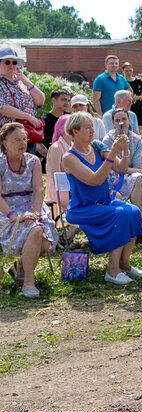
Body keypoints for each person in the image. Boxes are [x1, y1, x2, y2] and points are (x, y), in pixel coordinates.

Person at [61, 112, 142, 285]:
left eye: (92, 126)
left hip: (104, 202)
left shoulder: (97, 146)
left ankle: (124, 264)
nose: (93, 130)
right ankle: (112, 271)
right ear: (75, 131)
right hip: (82, 208)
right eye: (88, 128)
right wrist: (113, 152)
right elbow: (95, 180)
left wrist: (125, 150)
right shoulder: (69, 157)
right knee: (121, 214)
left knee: (134, 211)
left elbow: (121, 168)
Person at [0, 121, 58, 298]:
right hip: (7, 209)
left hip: (32, 206)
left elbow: (38, 190)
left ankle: (20, 266)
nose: (22, 143)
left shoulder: (33, 161)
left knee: (43, 240)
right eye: (17, 140)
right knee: (37, 232)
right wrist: (13, 216)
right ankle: (28, 283)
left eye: (24, 139)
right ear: (4, 143)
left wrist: (36, 214)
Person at [102, 108, 142, 216]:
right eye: (117, 120)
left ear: (129, 120)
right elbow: (114, 167)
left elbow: (137, 166)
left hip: (131, 176)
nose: (121, 123)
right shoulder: (108, 140)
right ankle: (135, 220)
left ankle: (135, 220)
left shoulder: (136, 139)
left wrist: (139, 171)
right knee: (141, 182)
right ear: (113, 123)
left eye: (124, 119)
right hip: (114, 177)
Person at [0, 47, 46, 154]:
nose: (11, 65)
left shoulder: (22, 83)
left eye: (14, 62)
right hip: (8, 136)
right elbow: (2, 108)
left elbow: (40, 101)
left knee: (27, 163)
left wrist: (25, 80)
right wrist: (28, 117)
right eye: (7, 62)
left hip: (28, 135)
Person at [122, 62, 142, 129]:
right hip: (126, 106)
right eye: (126, 71)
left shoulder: (138, 81)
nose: (128, 72)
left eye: (130, 71)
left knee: (138, 125)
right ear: (123, 71)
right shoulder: (121, 82)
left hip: (138, 107)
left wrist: (136, 98)